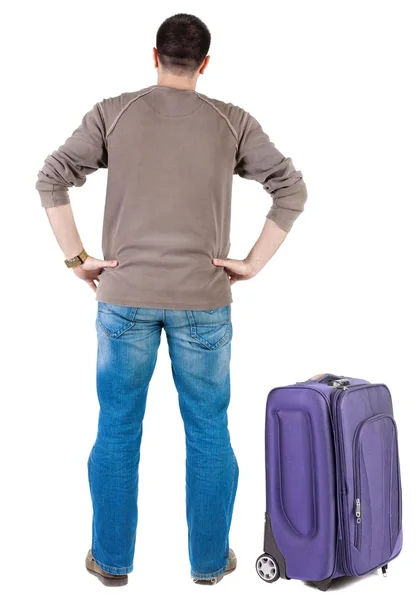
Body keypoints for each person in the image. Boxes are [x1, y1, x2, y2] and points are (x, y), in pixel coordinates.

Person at [35, 12, 307, 587]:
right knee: (208, 429)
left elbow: (51, 177)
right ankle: (209, 565)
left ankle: (110, 563)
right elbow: (291, 188)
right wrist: (253, 263)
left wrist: (77, 260)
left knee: (116, 429)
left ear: (153, 56)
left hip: (124, 299)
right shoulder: (232, 121)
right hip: (204, 302)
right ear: (205, 63)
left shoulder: (115, 111)